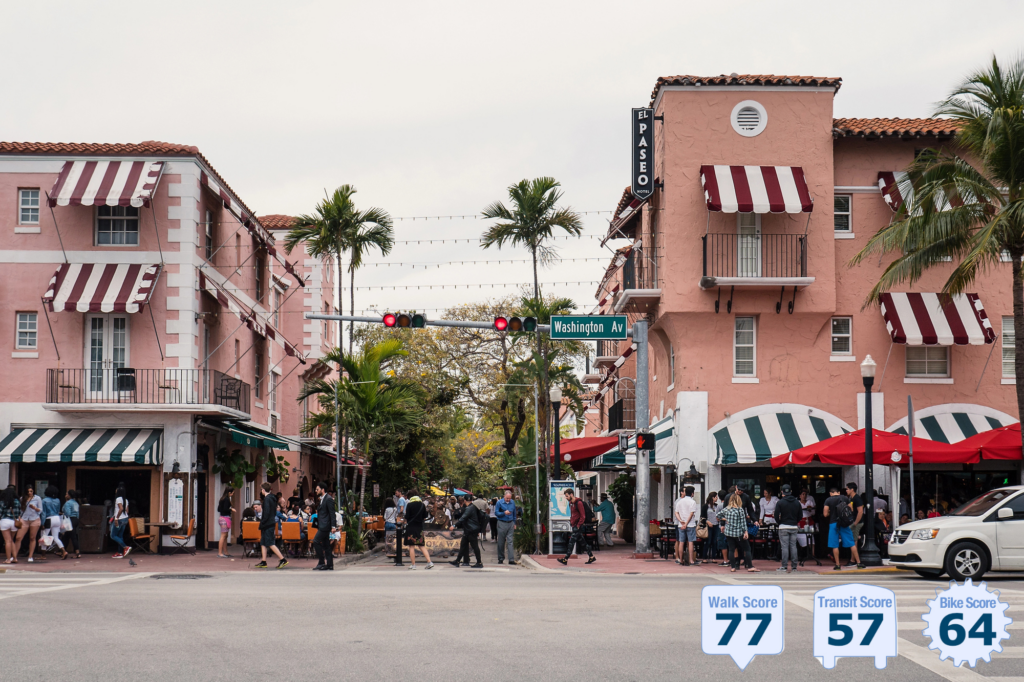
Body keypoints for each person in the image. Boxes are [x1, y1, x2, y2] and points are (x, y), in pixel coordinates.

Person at [823, 487, 859, 570]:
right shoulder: (845, 498)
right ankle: (859, 563)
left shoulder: (828, 500)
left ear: (830, 493)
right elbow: (851, 509)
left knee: (835, 545)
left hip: (833, 523)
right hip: (844, 523)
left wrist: (830, 512)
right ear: (838, 492)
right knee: (851, 543)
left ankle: (838, 565)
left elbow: (825, 514)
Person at [557, 489, 595, 566]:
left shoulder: (579, 503)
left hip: (578, 526)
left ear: (571, 495)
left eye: (567, 496)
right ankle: (591, 556)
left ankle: (565, 559)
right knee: (582, 542)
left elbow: (583, 516)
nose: (566, 498)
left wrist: (578, 525)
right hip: (574, 525)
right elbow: (573, 514)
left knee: (571, 542)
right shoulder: (571, 503)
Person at [721, 493, 758, 572]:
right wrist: (746, 532)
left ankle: (733, 567)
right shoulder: (740, 509)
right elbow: (743, 522)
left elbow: (718, 515)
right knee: (747, 548)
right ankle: (750, 566)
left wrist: (725, 519)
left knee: (731, 549)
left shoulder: (727, 509)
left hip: (729, 532)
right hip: (738, 532)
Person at [255, 483, 288, 569]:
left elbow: (266, 512)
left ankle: (282, 559)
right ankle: (263, 561)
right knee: (263, 542)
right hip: (271, 522)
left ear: (263, 490)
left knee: (270, 543)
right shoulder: (273, 498)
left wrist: (263, 522)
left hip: (267, 523)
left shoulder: (267, 499)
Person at [450, 497, 485, 568]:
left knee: (475, 546)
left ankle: (479, 562)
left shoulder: (469, 508)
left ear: (465, 501)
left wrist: (454, 525)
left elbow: (463, 518)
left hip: (471, 530)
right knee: (463, 545)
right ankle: (457, 561)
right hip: (469, 530)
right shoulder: (473, 507)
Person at [403, 489, 433, 569]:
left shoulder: (409, 505)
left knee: (411, 546)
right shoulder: (422, 505)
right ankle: (429, 562)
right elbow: (424, 517)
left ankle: (413, 565)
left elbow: (407, 517)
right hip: (419, 527)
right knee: (421, 545)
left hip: (411, 527)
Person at [775, 485, 801, 573]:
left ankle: (784, 566)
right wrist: (795, 521)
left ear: (782, 492)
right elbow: (800, 515)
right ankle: (794, 567)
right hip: (793, 526)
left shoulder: (780, 502)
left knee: (784, 547)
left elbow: (776, 515)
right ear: (791, 491)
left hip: (783, 526)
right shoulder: (797, 502)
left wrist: (780, 522)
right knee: (793, 546)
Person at [313, 482, 337, 571]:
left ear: (322, 490)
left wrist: (333, 526)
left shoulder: (328, 499)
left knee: (316, 541)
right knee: (326, 545)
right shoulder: (322, 499)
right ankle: (329, 565)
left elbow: (332, 513)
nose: (316, 491)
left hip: (325, 525)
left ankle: (321, 562)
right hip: (322, 524)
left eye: (317, 489)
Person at [15, 485, 42, 562]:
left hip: (35, 519)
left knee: (32, 538)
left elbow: (40, 510)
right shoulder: (22, 498)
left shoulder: (37, 498)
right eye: (28, 491)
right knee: (18, 538)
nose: (30, 493)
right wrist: (19, 517)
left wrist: (35, 508)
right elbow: (20, 509)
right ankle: (14, 555)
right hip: (24, 519)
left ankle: (30, 556)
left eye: (31, 491)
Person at [673, 486, 699, 566]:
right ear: (692, 493)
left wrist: (681, 520)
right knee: (690, 542)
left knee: (681, 542)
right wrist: (687, 523)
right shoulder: (692, 502)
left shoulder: (680, 501)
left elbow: (676, 512)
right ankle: (691, 560)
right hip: (690, 524)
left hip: (681, 524)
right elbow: (691, 513)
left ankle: (681, 560)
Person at [41, 485, 67, 559]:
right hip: (57, 518)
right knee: (56, 537)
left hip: (49, 519)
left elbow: (43, 513)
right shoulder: (57, 500)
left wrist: (42, 523)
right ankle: (63, 551)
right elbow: (58, 510)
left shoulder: (44, 500)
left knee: (44, 537)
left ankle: (43, 555)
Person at [845, 482, 865, 568]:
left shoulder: (857, 498)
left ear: (852, 489)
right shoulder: (851, 498)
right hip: (853, 522)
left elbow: (860, 511)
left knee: (854, 541)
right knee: (853, 540)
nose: (846, 490)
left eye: (847, 489)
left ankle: (853, 560)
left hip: (857, 522)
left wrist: (855, 523)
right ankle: (853, 559)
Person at [494, 489, 517, 564]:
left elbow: (514, 513)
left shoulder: (512, 502)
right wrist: (504, 513)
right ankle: (501, 558)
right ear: (504, 496)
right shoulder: (499, 502)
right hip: (501, 522)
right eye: (507, 498)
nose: (508, 500)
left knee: (510, 542)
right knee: (501, 541)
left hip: (510, 523)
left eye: (509, 498)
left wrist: (514, 523)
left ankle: (511, 559)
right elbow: (496, 513)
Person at [1, 485, 21, 564]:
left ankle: (8, 559)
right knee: (11, 540)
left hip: (5, 521)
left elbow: (0, 512)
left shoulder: (2, 502)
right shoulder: (17, 501)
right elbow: (19, 512)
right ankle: (15, 558)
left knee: (7, 541)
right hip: (14, 522)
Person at [109, 484, 130, 559]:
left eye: (116, 489)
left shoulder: (118, 499)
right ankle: (120, 553)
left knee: (113, 535)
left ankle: (125, 547)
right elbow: (127, 511)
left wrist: (116, 518)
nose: (115, 490)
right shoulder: (126, 500)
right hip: (125, 519)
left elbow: (121, 509)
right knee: (120, 536)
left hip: (119, 519)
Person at [217, 487, 235, 558]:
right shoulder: (227, 499)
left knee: (225, 536)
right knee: (223, 536)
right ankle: (220, 552)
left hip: (222, 518)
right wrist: (231, 509)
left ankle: (225, 552)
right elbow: (225, 509)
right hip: (225, 518)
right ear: (229, 492)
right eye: (232, 493)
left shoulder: (222, 499)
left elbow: (219, 509)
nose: (232, 494)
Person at [62, 490, 80, 559]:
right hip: (75, 519)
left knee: (73, 536)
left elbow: (68, 513)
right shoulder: (76, 503)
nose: (65, 495)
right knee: (66, 536)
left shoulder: (68, 503)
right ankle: (62, 550)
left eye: (66, 494)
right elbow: (77, 513)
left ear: (69, 495)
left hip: (70, 520)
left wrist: (63, 514)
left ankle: (77, 552)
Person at [702, 492, 719, 560]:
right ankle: (704, 557)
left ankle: (713, 557)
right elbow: (702, 517)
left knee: (714, 541)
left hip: (716, 525)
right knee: (708, 541)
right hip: (708, 526)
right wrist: (707, 521)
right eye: (716, 497)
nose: (717, 498)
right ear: (713, 497)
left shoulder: (716, 506)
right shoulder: (705, 506)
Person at [715, 489, 730, 566]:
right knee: (731, 543)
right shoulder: (730, 505)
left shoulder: (719, 506)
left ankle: (725, 560)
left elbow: (717, 517)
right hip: (730, 527)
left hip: (722, 527)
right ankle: (733, 559)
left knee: (723, 543)